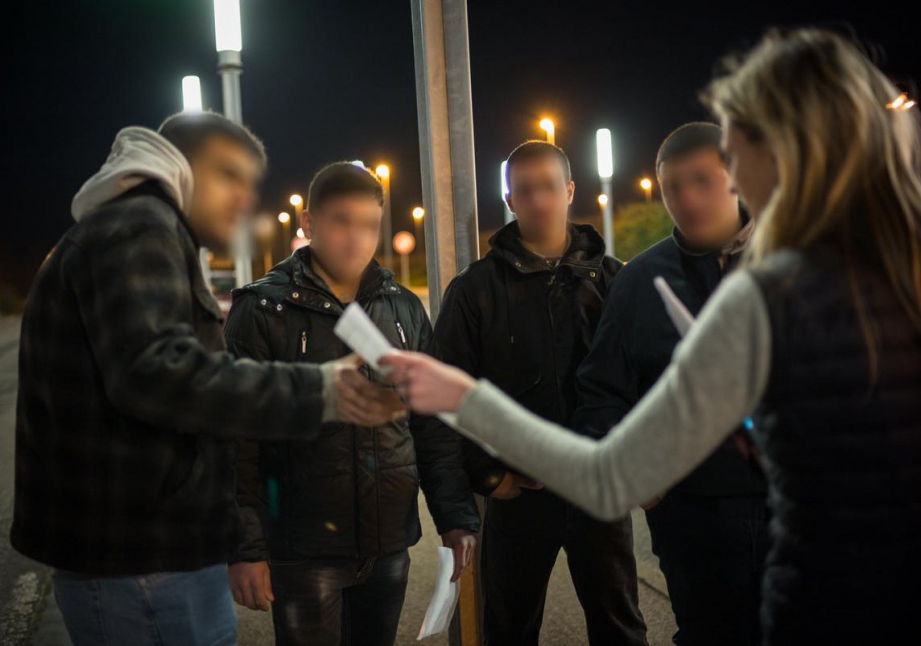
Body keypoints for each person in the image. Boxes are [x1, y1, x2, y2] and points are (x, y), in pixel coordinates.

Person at [382, 28, 921, 645]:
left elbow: (607, 476)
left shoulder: (766, 290)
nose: (732, 178)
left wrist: (461, 398)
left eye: (736, 155)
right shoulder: (875, 267)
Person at [12, 113, 405, 646]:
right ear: (185, 167)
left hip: (144, 553)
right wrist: (319, 389)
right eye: (230, 176)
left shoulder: (131, 227)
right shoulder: (138, 225)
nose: (244, 199)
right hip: (138, 558)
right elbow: (160, 374)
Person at [222, 161, 479, 646]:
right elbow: (237, 442)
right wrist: (246, 549)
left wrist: (455, 516)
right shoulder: (262, 311)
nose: (355, 238)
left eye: (368, 224)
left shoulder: (403, 307)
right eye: (341, 221)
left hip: (387, 545)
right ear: (308, 223)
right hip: (303, 550)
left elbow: (431, 425)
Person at [433, 141, 647, 645]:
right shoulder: (475, 290)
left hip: (598, 488)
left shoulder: (614, 281)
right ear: (509, 200)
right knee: (508, 629)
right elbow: (448, 393)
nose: (538, 200)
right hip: (518, 494)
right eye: (524, 190)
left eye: (548, 187)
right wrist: (488, 475)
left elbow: (644, 383)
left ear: (570, 190)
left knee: (621, 629)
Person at [573, 122, 769, 646]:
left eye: (701, 180)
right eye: (671, 187)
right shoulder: (641, 281)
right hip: (696, 520)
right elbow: (600, 391)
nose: (685, 198)